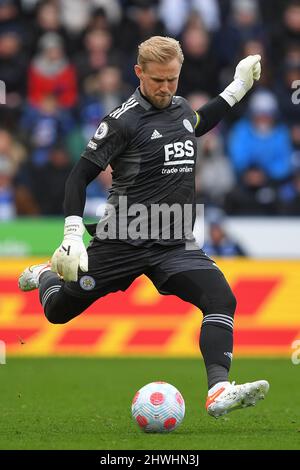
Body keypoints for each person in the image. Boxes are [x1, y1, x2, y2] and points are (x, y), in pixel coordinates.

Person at [19, 36, 269, 419]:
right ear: (139, 73)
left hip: (173, 242)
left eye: (172, 79)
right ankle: (45, 276)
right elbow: (78, 176)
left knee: (221, 299)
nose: (166, 89)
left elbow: (197, 123)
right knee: (58, 311)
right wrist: (71, 235)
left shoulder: (181, 108)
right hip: (123, 238)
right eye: (157, 81)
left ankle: (218, 390)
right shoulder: (122, 121)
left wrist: (238, 88)